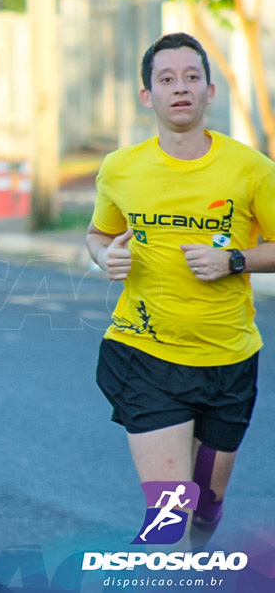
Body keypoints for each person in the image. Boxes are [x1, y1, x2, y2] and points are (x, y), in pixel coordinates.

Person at [87, 32, 275, 549]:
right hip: (146, 353)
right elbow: (99, 234)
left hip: (228, 358)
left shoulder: (251, 169)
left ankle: (198, 560)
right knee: (169, 516)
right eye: (166, 79)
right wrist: (107, 256)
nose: (180, 88)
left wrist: (234, 259)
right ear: (147, 95)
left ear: (210, 91)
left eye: (191, 77)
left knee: (206, 510)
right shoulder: (121, 168)